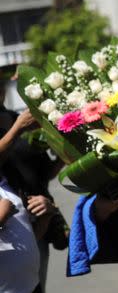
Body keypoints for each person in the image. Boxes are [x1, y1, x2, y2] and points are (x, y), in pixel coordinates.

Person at [0, 84, 66, 293]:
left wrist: (64, 151)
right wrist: (16, 129)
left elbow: (45, 172)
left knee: (31, 282)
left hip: (34, 220)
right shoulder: (18, 124)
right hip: (6, 222)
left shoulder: (18, 119)